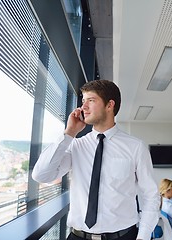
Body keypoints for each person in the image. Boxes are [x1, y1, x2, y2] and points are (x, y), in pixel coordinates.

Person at [32, 80, 160, 240]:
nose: (83, 107)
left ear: (109, 105)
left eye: (90, 101)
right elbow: (41, 175)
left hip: (123, 236)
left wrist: (143, 236)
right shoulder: (75, 145)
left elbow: (151, 195)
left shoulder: (136, 147)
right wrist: (69, 133)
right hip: (77, 236)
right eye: (83, 101)